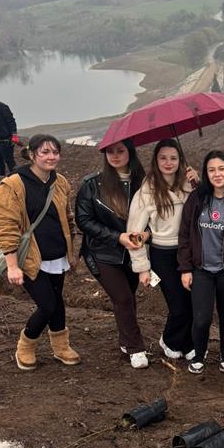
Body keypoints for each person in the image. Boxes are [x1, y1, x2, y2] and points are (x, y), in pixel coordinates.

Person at [0, 134, 81, 370]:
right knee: (48, 305)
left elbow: (67, 218)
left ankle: (61, 347)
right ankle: (25, 345)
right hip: (30, 257)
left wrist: (71, 252)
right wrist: (11, 264)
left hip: (57, 255)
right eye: (45, 152)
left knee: (57, 302)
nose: (51, 157)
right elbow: (3, 225)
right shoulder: (14, 184)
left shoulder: (59, 182)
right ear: (32, 154)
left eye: (55, 152)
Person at [75, 139, 149, 368]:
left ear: (130, 152)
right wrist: (117, 237)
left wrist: (145, 235)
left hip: (133, 253)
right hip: (102, 252)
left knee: (127, 299)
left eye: (120, 151)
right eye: (110, 151)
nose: (115, 156)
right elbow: (84, 220)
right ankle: (136, 348)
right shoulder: (92, 184)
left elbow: (159, 211)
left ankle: (126, 342)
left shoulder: (145, 183)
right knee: (123, 298)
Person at [178, 150, 224, 375]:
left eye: (221, 169)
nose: (217, 174)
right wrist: (185, 268)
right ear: (205, 173)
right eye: (212, 170)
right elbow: (184, 235)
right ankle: (199, 354)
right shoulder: (197, 198)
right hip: (201, 270)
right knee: (202, 318)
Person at [127, 139, 198, 361]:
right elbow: (135, 233)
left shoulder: (189, 186)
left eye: (173, 158)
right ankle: (169, 339)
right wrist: (142, 268)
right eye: (163, 158)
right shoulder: (146, 192)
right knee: (178, 304)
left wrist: (200, 184)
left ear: (180, 161)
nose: (168, 163)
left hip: (189, 252)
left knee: (192, 302)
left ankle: (187, 342)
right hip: (163, 255)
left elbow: (208, 209)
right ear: (156, 161)